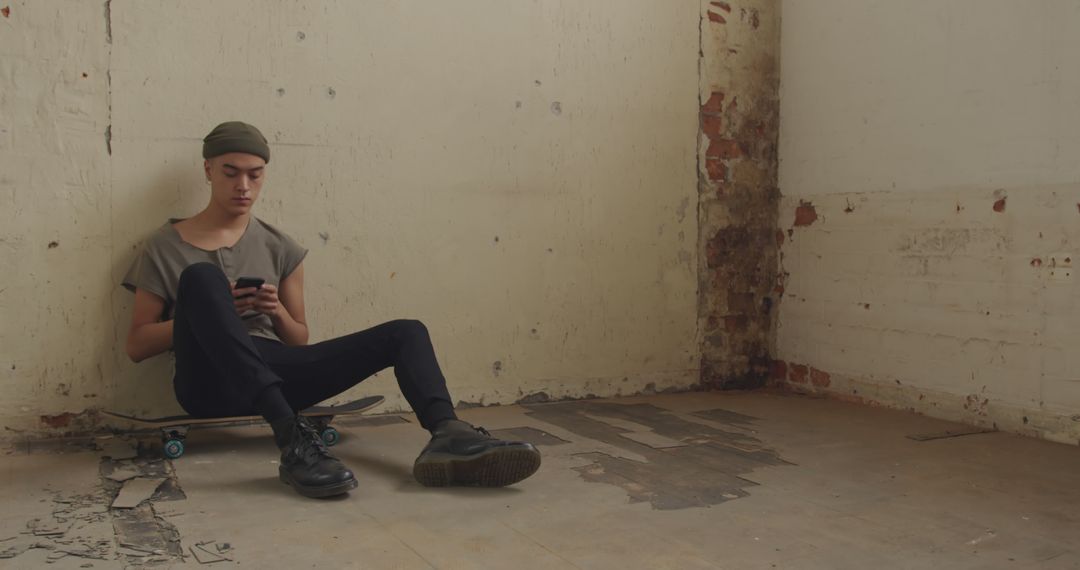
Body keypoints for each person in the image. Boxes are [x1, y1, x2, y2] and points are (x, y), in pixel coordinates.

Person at [122, 121, 541, 498]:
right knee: (201, 278)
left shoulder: (280, 246)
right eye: (231, 172)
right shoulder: (165, 245)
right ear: (208, 171)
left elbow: (299, 338)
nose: (243, 185)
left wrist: (276, 313)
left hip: (278, 370)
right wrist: (208, 313)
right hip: (208, 381)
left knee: (407, 331)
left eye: (255, 174)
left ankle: (449, 433)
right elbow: (138, 344)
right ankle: (293, 440)